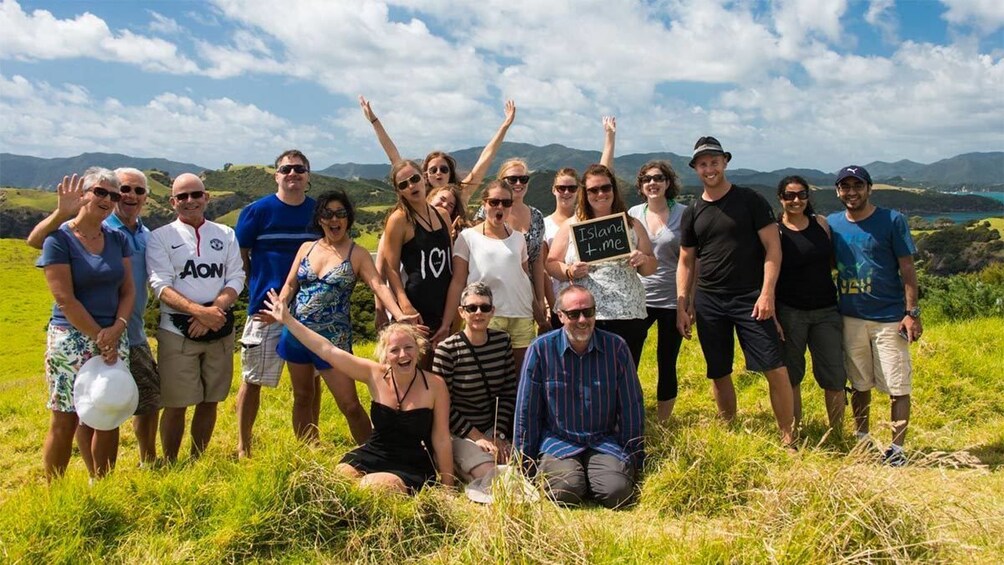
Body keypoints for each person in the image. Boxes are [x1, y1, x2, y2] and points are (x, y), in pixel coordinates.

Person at [27, 167, 160, 465]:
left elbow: (128, 291)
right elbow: (65, 298)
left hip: (115, 334)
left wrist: (116, 329)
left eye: (113, 195)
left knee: (108, 414)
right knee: (66, 418)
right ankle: (56, 494)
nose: (109, 199)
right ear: (83, 194)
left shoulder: (117, 239)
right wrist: (100, 336)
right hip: (72, 337)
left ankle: (101, 484)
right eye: (101, 192)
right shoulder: (59, 239)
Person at [263, 291, 454, 494]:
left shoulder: (435, 385)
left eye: (409, 347)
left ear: (418, 349)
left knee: (371, 487)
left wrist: (448, 488)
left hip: (411, 463)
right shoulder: (374, 374)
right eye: (394, 350)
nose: (403, 355)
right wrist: (288, 320)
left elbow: (441, 438)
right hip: (374, 453)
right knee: (336, 478)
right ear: (384, 356)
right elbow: (328, 350)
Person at [676, 136, 795, 448]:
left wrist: (767, 293)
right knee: (718, 370)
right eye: (703, 163)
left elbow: (773, 249)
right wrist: (683, 304)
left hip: (750, 297)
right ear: (695, 169)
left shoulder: (751, 200)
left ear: (725, 162)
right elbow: (686, 261)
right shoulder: (692, 212)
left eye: (714, 161)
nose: (709, 168)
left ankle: (788, 437)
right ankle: (729, 430)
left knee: (774, 367)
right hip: (710, 299)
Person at [275, 190, 418, 445]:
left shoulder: (358, 254)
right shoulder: (306, 248)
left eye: (340, 214)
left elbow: (378, 285)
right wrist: (281, 304)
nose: (334, 219)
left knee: (350, 405)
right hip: (296, 333)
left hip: (333, 341)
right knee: (302, 396)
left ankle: (372, 454)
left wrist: (398, 315)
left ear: (348, 219)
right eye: (327, 214)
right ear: (319, 219)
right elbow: (290, 284)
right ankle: (308, 454)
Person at [513, 285, 644, 509]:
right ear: (560, 316)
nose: (582, 320)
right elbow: (527, 409)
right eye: (574, 314)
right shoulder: (541, 350)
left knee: (618, 493)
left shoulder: (616, 348)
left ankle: (595, 477)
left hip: (603, 441)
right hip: (559, 441)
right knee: (565, 492)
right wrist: (524, 462)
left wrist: (634, 455)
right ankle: (576, 478)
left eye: (588, 312)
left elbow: (632, 405)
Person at [147, 174, 244, 463]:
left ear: (206, 197)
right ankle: (170, 461)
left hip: (219, 325)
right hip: (176, 330)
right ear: (172, 201)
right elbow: (160, 284)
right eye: (182, 197)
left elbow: (236, 276)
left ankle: (197, 460)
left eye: (196, 195)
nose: (190, 201)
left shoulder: (225, 234)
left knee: (210, 399)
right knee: (176, 403)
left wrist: (214, 311)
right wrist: (199, 312)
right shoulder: (160, 237)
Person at [827, 166, 921, 466]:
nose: (851, 192)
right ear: (838, 191)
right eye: (845, 187)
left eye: (858, 186)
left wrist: (911, 313)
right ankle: (862, 438)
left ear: (869, 188)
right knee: (859, 384)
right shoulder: (832, 224)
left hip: (890, 317)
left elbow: (907, 269)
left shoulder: (892, 220)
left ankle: (897, 450)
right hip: (850, 316)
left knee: (897, 385)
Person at [234, 149, 319, 459]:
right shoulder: (256, 211)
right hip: (265, 309)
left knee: (310, 382)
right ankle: (243, 446)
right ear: (276, 175)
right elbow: (241, 256)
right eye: (286, 169)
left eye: (299, 169)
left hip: (310, 310)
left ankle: (310, 443)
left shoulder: (318, 211)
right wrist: (253, 288)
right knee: (252, 379)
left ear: (308, 175)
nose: (292, 174)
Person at [545, 162, 657, 368]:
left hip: (628, 313)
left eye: (605, 188)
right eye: (593, 190)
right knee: (587, 374)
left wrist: (643, 260)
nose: (600, 194)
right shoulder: (571, 225)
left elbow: (650, 266)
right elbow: (551, 264)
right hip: (584, 315)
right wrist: (569, 271)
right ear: (585, 194)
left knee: (624, 374)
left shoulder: (632, 224)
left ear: (614, 189)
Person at [438, 181, 539, 372]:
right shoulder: (467, 237)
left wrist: (540, 317)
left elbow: (525, 279)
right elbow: (458, 282)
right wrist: (448, 324)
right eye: (494, 202)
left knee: (522, 376)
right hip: (486, 315)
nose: (500, 207)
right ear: (484, 204)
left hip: (522, 315)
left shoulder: (518, 239)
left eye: (506, 203)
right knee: (489, 376)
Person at [774, 175, 846, 433]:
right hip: (789, 311)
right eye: (790, 195)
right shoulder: (775, 231)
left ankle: (837, 432)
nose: (796, 200)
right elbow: (768, 273)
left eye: (802, 194)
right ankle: (794, 432)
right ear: (780, 198)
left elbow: (832, 263)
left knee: (834, 375)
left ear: (808, 197)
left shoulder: (821, 225)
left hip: (826, 310)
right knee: (791, 375)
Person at [359, 96, 515, 207]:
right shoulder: (419, 198)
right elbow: (394, 157)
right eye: (433, 169)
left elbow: (485, 159)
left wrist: (505, 126)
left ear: (450, 173)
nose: (438, 173)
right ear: (425, 175)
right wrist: (374, 121)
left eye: (444, 169)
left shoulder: (461, 194)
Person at [432, 282, 517, 481]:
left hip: (493, 427)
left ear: (492, 311)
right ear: (461, 312)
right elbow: (443, 406)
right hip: (461, 432)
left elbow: (508, 391)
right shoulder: (447, 350)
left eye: (485, 308)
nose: (478, 313)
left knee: (519, 465)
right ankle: (452, 462)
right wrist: (477, 436)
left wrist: (499, 433)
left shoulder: (502, 342)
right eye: (472, 308)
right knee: (490, 475)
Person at [627, 160, 688, 422]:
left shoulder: (684, 214)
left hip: (672, 299)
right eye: (647, 179)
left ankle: (663, 420)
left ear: (668, 183)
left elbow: (690, 261)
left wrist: (687, 304)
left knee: (667, 361)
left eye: (659, 178)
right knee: (630, 360)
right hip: (637, 299)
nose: (653, 183)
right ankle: (631, 412)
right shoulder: (632, 214)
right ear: (641, 186)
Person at [472, 159, 551, 333]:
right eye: (512, 179)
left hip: (524, 297)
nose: (518, 183)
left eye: (523, 179)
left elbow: (537, 261)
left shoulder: (536, 215)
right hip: (493, 296)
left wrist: (539, 299)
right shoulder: (487, 211)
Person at [380, 160, 453, 345]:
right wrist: (405, 305)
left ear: (424, 177)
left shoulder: (443, 215)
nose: (411, 185)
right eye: (404, 184)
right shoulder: (399, 220)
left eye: (414, 178)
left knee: (443, 367)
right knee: (416, 366)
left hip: (444, 305)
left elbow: (450, 262)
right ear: (399, 192)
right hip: (416, 308)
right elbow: (391, 268)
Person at [542, 168, 580, 328]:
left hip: (585, 300)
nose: (566, 192)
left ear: (579, 190)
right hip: (556, 299)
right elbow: (543, 269)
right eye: (561, 188)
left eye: (571, 188)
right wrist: (549, 304)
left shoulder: (586, 222)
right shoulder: (544, 225)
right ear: (553, 190)